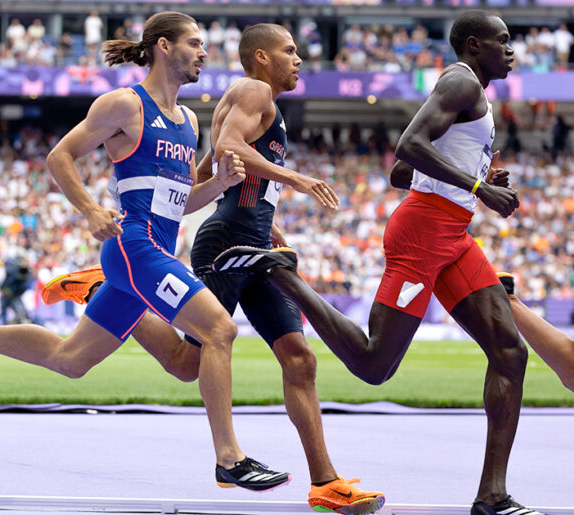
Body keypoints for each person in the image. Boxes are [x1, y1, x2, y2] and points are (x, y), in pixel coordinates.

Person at [0, 11, 294, 493]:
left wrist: (218, 184)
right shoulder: (125, 105)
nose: (204, 52)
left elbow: (178, 201)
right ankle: (230, 459)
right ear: (163, 47)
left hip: (152, 249)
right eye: (194, 43)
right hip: (136, 247)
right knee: (219, 330)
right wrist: (89, 209)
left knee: (71, 360)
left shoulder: (189, 120)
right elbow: (59, 155)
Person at [42, 24, 385, 514]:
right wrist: (297, 179)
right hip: (226, 245)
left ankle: (325, 482)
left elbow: (201, 177)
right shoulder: (253, 89)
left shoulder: (211, 111)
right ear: (262, 57)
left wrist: (264, 224)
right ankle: (115, 291)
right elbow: (227, 146)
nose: (299, 60)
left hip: (250, 242)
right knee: (191, 360)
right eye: (290, 51)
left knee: (298, 360)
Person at [211, 11, 544, 515]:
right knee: (373, 366)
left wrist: (477, 178)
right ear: (475, 45)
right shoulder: (460, 80)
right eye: (503, 41)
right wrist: (479, 188)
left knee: (509, 352)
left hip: (451, 233)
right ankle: (280, 272)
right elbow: (405, 146)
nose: (511, 48)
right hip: (423, 233)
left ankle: (492, 497)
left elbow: (401, 172)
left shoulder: (472, 93)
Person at [392, 162, 574, 393]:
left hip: (436, 212)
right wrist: (477, 182)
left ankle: (509, 301)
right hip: (426, 219)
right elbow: (400, 171)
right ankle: (509, 301)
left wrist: (477, 180)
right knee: (377, 364)